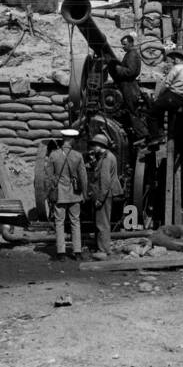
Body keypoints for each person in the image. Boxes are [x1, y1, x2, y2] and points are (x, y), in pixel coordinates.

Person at [47, 128, 88, 260]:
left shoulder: (54, 155)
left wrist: (50, 193)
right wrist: (85, 194)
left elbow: (49, 177)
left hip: (60, 194)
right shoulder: (78, 155)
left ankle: (61, 252)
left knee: (59, 222)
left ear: (64, 139)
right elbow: (83, 177)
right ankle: (77, 252)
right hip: (75, 193)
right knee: (75, 222)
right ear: (72, 140)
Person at [144, 46, 183, 142]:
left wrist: (158, 96)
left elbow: (166, 85)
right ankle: (164, 135)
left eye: (175, 58)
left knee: (151, 113)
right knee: (161, 109)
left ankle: (156, 137)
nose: (173, 60)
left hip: (173, 95)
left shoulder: (177, 68)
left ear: (179, 59)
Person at [107, 32, 149, 142]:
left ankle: (142, 135)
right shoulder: (130, 53)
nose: (123, 46)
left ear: (131, 43)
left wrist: (118, 68)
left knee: (132, 111)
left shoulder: (132, 54)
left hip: (129, 87)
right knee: (132, 110)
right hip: (129, 85)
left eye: (124, 44)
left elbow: (130, 72)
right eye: (122, 44)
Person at [87, 132, 121, 260]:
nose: (92, 148)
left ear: (100, 145)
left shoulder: (107, 158)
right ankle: (103, 248)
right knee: (102, 222)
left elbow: (105, 181)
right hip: (104, 194)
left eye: (94, 145)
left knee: (102, 223)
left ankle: (103, 250)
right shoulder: (105, 157)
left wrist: (100, 199)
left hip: (104, 195)